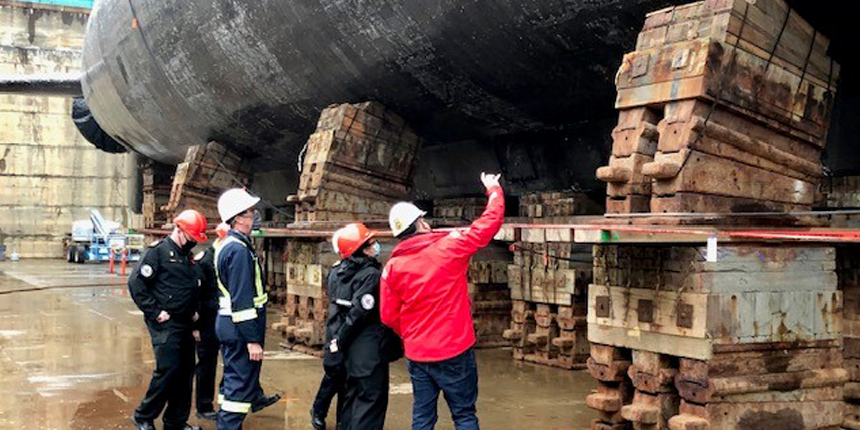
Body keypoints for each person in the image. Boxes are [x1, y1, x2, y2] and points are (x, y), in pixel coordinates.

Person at [380, 173, 504, 430]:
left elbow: (388, 316)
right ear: (420, 225)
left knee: (423, 418)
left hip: (418, 354)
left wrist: (413, 334)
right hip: (454, 350)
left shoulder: (392, 267)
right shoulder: (449, 248)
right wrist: (493, 188)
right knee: (464, 415)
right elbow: (489, 223)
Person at [311, 223, 401, 430]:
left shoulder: (336, 272)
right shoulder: (370, 275)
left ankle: (325, 414)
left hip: (345, 347)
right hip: (366, 350)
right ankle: (319, 411)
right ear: (360, 249)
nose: (375, 246)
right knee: (370, 402)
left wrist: (338, 341)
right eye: (370, 243)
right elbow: (360, 312)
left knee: (349, 399)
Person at [129, 209, 208, 430]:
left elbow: (189, 288)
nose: (194, 242)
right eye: (192, 237)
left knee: (185, 372)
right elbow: (136, 284)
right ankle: (143, 415)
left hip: (184, 323)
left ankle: (175, 421)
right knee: (168, 369)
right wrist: (154, 312)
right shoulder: (158, 253)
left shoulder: (186, 255)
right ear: (180, 230)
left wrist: (194, 318)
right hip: (166, 323)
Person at [214, 188, 280, 430]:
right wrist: (252, 339)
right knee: (240, 388)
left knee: (232, 384)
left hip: (229, 326)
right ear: (238, 217)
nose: (254, 216)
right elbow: (242, 300)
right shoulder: (239, 251)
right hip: (240, 329)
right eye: (251, 212)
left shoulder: (228, 244)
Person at [191, 223, 230, 421]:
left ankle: (226, 400)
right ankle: (204, 406)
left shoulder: (226, 257)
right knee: (207, 363)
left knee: (231, 359)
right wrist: (195, 327)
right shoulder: (205, 260)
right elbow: (195, 295)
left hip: (224, 317)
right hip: (207, 321)